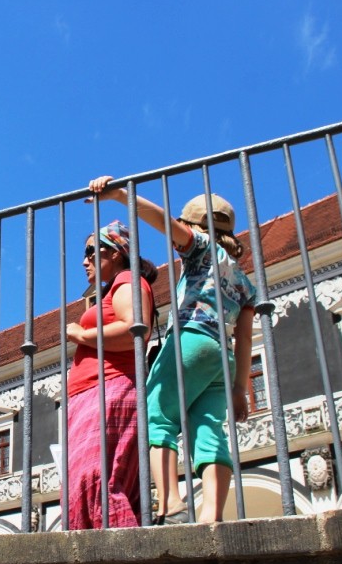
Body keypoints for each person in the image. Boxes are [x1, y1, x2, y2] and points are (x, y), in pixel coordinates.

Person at [89, 176, 255, 524]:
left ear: (194, 224)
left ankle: (170, 505)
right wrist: (240, 387)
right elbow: (245, 337)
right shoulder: (243, 280)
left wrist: (121, 196)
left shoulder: (202, 248)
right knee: (208, 427)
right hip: (220, 354)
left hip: (191, 339)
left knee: (157, 415)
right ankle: (212, 515)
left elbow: (164, 223)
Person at [64, 220, 156, 530]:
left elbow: (134, 329)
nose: (84, 260)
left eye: (91, 251)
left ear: (116, 252)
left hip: (108, 386)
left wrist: (82, 335)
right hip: (92, 391)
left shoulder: (127, 280)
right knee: (91, 481)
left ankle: (112, 555)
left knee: (96, 480)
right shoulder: (114, 287)